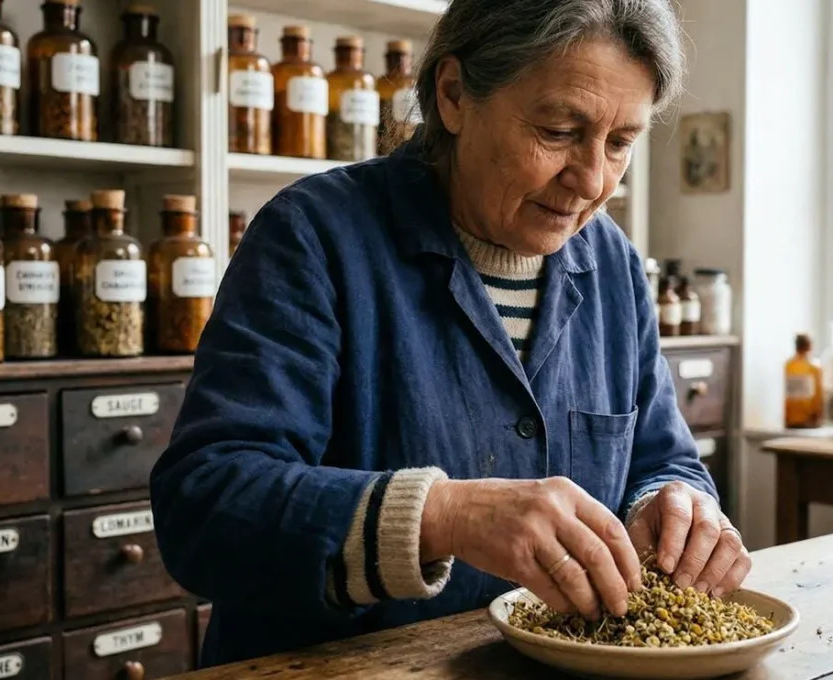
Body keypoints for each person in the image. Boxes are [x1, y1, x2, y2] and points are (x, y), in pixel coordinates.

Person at [150, 0, 752, 667]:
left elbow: (661, 456)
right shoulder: (312, 237)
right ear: (454, 95)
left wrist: (676, 503)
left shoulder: (612, 262)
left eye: (619, 144)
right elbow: (205, 507)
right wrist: (445, 515)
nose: (590, 181)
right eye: (557, 131)